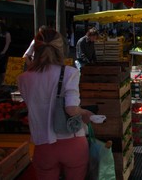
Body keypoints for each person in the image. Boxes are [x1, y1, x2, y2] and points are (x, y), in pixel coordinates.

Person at [17, 28, 93, 180]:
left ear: (36, 49)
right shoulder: (70, 73)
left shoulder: (23, 78)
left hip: (42, 144)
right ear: (60, 49)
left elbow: (27, 60)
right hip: (72, 142)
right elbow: (71, 109)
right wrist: (85, 113)